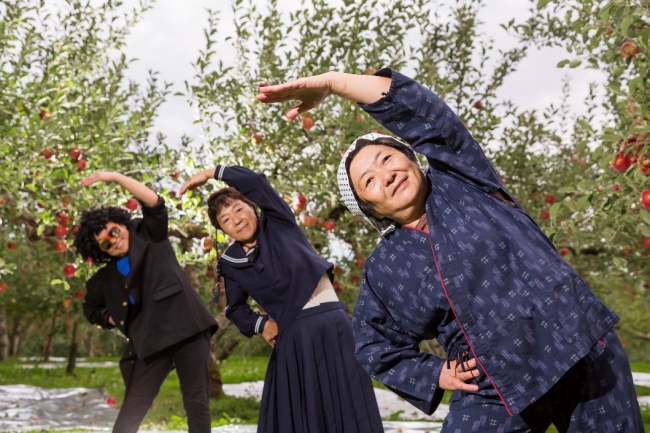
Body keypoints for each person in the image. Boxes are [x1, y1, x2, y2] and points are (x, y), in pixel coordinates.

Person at [256, 69, 645, 431]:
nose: (386, 176)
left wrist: (334, 82)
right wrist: (436, 374)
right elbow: (374, 343)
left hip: (577, 344)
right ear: (369, 209)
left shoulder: (463, 181)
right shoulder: (385, 267)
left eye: (387, 158)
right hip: (492, 383)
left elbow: (423, 112)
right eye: (369, 182)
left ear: (412, 158)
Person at [179, 165, 383, 433]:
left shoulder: (278, 221)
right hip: (294, 338)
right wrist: (261, 325)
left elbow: (255, 181)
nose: (236, 219)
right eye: (226, 220)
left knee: (348, 407)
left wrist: (209, 173)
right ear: (223, 231)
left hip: (334, 326)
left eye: (238, 209)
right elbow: (235, 308)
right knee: (301, 417)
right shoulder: (231, 262)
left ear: (252, 208)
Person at [73, 171, 218, 433]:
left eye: (113, 231)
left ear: (122, 224)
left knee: (196, 402)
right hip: (150, 343)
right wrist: (113, 317)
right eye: (105, 242)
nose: (113, 240)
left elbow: (154, 203)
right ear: (100, 250)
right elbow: (90, 309)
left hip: (188, 330)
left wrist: (115, 177)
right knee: (133, 407)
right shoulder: (102, 281)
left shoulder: (150, 235)